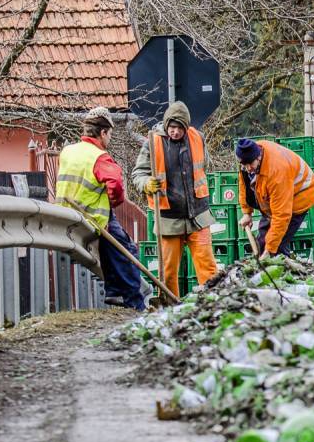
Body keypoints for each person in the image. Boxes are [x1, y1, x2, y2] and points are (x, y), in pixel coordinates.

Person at [55, 107, 145, 309]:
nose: (110, 139)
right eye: (110, 134)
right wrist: (113, 201)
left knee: (112, 252)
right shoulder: (99, 156)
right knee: (127, 252)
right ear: (103, 132)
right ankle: (135, 304)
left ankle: (113, 292)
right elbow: (116, 184)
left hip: (65, 214)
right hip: (93, 216)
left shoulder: (68, 151)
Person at [131, 101, 217, 298]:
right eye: (172, 127)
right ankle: (170, 307)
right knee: (168, 272)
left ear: (186, 127)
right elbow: (138, 174)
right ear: (166, 124)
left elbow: (203, 166)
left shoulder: (197, 138)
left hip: (198, 214)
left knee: (208, 266)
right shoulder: (152, 143)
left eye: (179, 128)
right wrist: (146, 183)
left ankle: (213, 303)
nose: (175, 132)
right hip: (168, 217)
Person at [234, 137, 314, 258]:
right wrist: (247, 213)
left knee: (276, 246)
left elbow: (281, 216)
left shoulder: (276, 172)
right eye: (244, 165)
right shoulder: (248, 158)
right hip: (273, 199)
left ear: (258, 157)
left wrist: (269, 251)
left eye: (250, 164)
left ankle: (286, 270)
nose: (248, 168)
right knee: (262, 242)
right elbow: (245, 185)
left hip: (300, 196)